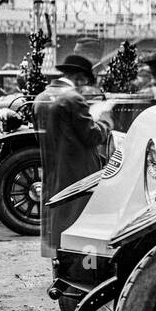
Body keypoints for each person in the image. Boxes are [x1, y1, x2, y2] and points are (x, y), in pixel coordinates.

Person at [34, 54, 112, 258]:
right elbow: (92, 135)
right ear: (79, 77)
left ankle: (57, 262)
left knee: (56, 215)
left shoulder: (41, 98)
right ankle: (74, 265)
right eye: (85, 80)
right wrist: (105, 119)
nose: (85, 86)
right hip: (78, 169)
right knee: (75, 217)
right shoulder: (73, 99)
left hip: (52, 168)